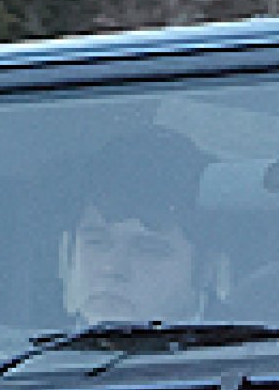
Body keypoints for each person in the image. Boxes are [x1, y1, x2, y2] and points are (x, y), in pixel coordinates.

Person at [59, 126, 216, 326]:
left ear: (204, 271)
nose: (112, 268)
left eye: (149, 249)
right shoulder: (27, 348)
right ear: (68, 255)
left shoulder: (257, 350)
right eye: (96, 242)